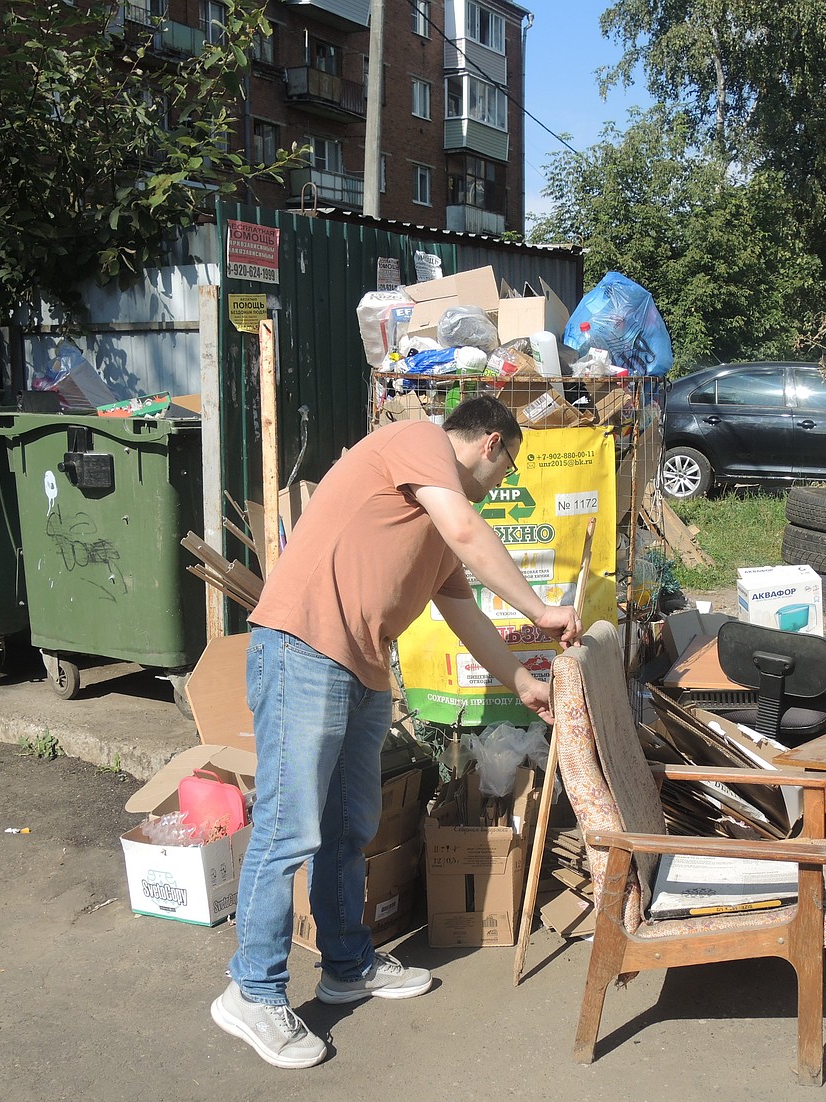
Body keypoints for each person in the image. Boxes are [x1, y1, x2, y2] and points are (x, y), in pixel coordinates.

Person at [211, 393, 582, 1068]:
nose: (501, 486)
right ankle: (253, 991)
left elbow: (464, 614)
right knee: (288, 826)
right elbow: (469, 529)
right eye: (505, 471)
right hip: (302, 648)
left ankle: (346, 964)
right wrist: (542, 610)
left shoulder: (434, 528)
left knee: (349, 825)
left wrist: (519, 682)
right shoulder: (419, 441)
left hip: (360, 667)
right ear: (491, 443)